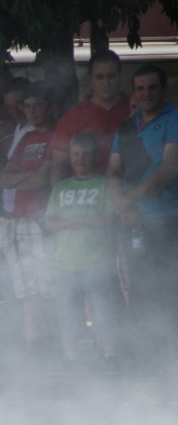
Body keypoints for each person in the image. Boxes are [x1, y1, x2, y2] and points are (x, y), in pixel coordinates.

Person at [108, 63, 178, 363]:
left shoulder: (174, 118)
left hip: (169, 221)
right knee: (140, 292)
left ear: (163, 89)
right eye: (140, 88)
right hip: (135, 224)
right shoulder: (126, 126)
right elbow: (112, 171)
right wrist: (121, 205)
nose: (146, 93)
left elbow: (169, 170)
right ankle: (154, 361)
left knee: (170, 292)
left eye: (152, 87)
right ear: (133, 93)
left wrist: (128, 200)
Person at [45, 133, 123, 374]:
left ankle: (109, 356)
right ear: (70, 157)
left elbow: (112, 216)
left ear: (95, 157)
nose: (81, 159)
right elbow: (49, 222)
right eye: (76, 154)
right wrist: (69, 223)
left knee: (103, 312)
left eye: (86, 154)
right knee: (67, 313)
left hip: (97, 261)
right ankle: (70, 358)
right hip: (65, 262)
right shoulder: (61, 187)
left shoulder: (102, 184)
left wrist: (92, 221)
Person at [0, 82, 56, 355]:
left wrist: (21, 178)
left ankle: (50, 346)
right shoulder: (26, 138)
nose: (32, 112)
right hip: (19, 222)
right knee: (26, 290)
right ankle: (33, 348)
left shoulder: (58, 135)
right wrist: (25, 178)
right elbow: (3, 178)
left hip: (43, 222)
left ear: (49, 107)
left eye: (38, 105)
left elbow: (44, 178)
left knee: (48, 288)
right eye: (28, 106)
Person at [51, 50, 129, 184]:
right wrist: (59, 199)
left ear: (120, 76)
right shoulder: (73, 116)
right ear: (90, 79)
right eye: (100, 77)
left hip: (131, 193)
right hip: (87, 197)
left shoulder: (135, 108)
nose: (106, 82)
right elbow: (59, 165)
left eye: (111, 76)